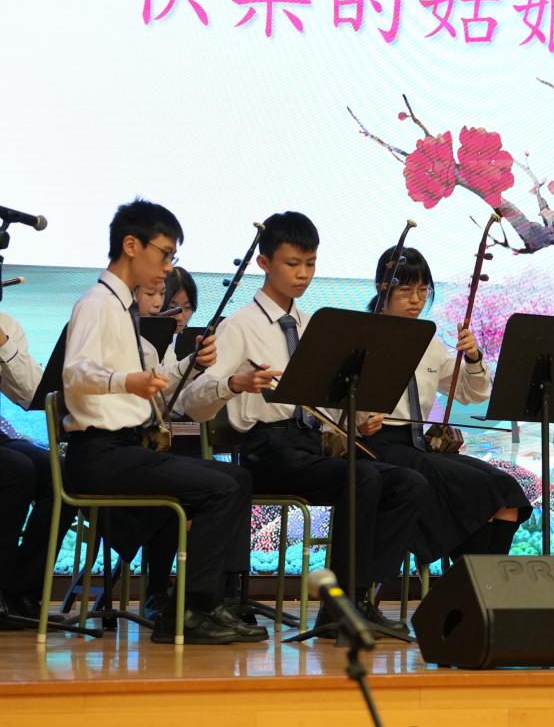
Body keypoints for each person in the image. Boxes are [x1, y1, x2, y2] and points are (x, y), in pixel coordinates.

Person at [178, 211, 432, 634]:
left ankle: (361, 595)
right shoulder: (239, 327)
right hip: (265, 451)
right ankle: (340, 607)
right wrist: (234, 383)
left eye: (310, 264)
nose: (303, 274)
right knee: (363, 478)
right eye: (292, 263)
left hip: (308, 448)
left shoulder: (314, 325)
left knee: (409, 483)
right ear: (264, 263)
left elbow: (325, 403)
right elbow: (191, 402)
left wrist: (354, 421)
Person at [61, 199, 255, 644]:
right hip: (100, 454)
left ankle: (206, 603)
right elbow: (74, 374)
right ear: (132, 245)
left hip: (123, 450)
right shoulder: (97, 304)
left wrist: (192, 363)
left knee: (237, 479)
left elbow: (160, 387)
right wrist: (125, 380)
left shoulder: (123, 308)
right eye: (164, 254)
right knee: (222, 487)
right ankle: (188, 612)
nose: (168, 267)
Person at [358, 246, 531, 563]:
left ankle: (480, 586)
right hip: (374, 446)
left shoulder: (430, 342)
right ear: (382, 288)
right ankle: (473, 587)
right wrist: (357, 422)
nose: (416, 300)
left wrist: (473, 356)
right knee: (478, 491)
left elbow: (470, 393)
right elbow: (331, 404)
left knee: (506, 492)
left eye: (423, 291)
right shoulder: (360, 335)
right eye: (406, 291)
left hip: (417, 447)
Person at [0, 311, 75, 625]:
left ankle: (23, 593)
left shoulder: (7, 325)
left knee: (61, 475)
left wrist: (4, 344)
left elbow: (35, 394)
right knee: (17, 470)